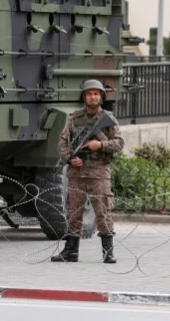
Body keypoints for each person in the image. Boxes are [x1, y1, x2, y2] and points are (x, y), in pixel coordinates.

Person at [52, 79, 124, 263]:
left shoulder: (109, 119)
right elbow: (62, 143)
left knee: (103, 212)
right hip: (76, 174)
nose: (92, 97)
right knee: (73, 213)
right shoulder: (74, 118)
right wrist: (70, 159)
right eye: (89, 94)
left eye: (96, 94)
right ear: (84, 97)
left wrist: (99, 144)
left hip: (98, 174)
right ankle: (71, 251)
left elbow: (119, 143)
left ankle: (108, 252)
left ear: (101, 97)